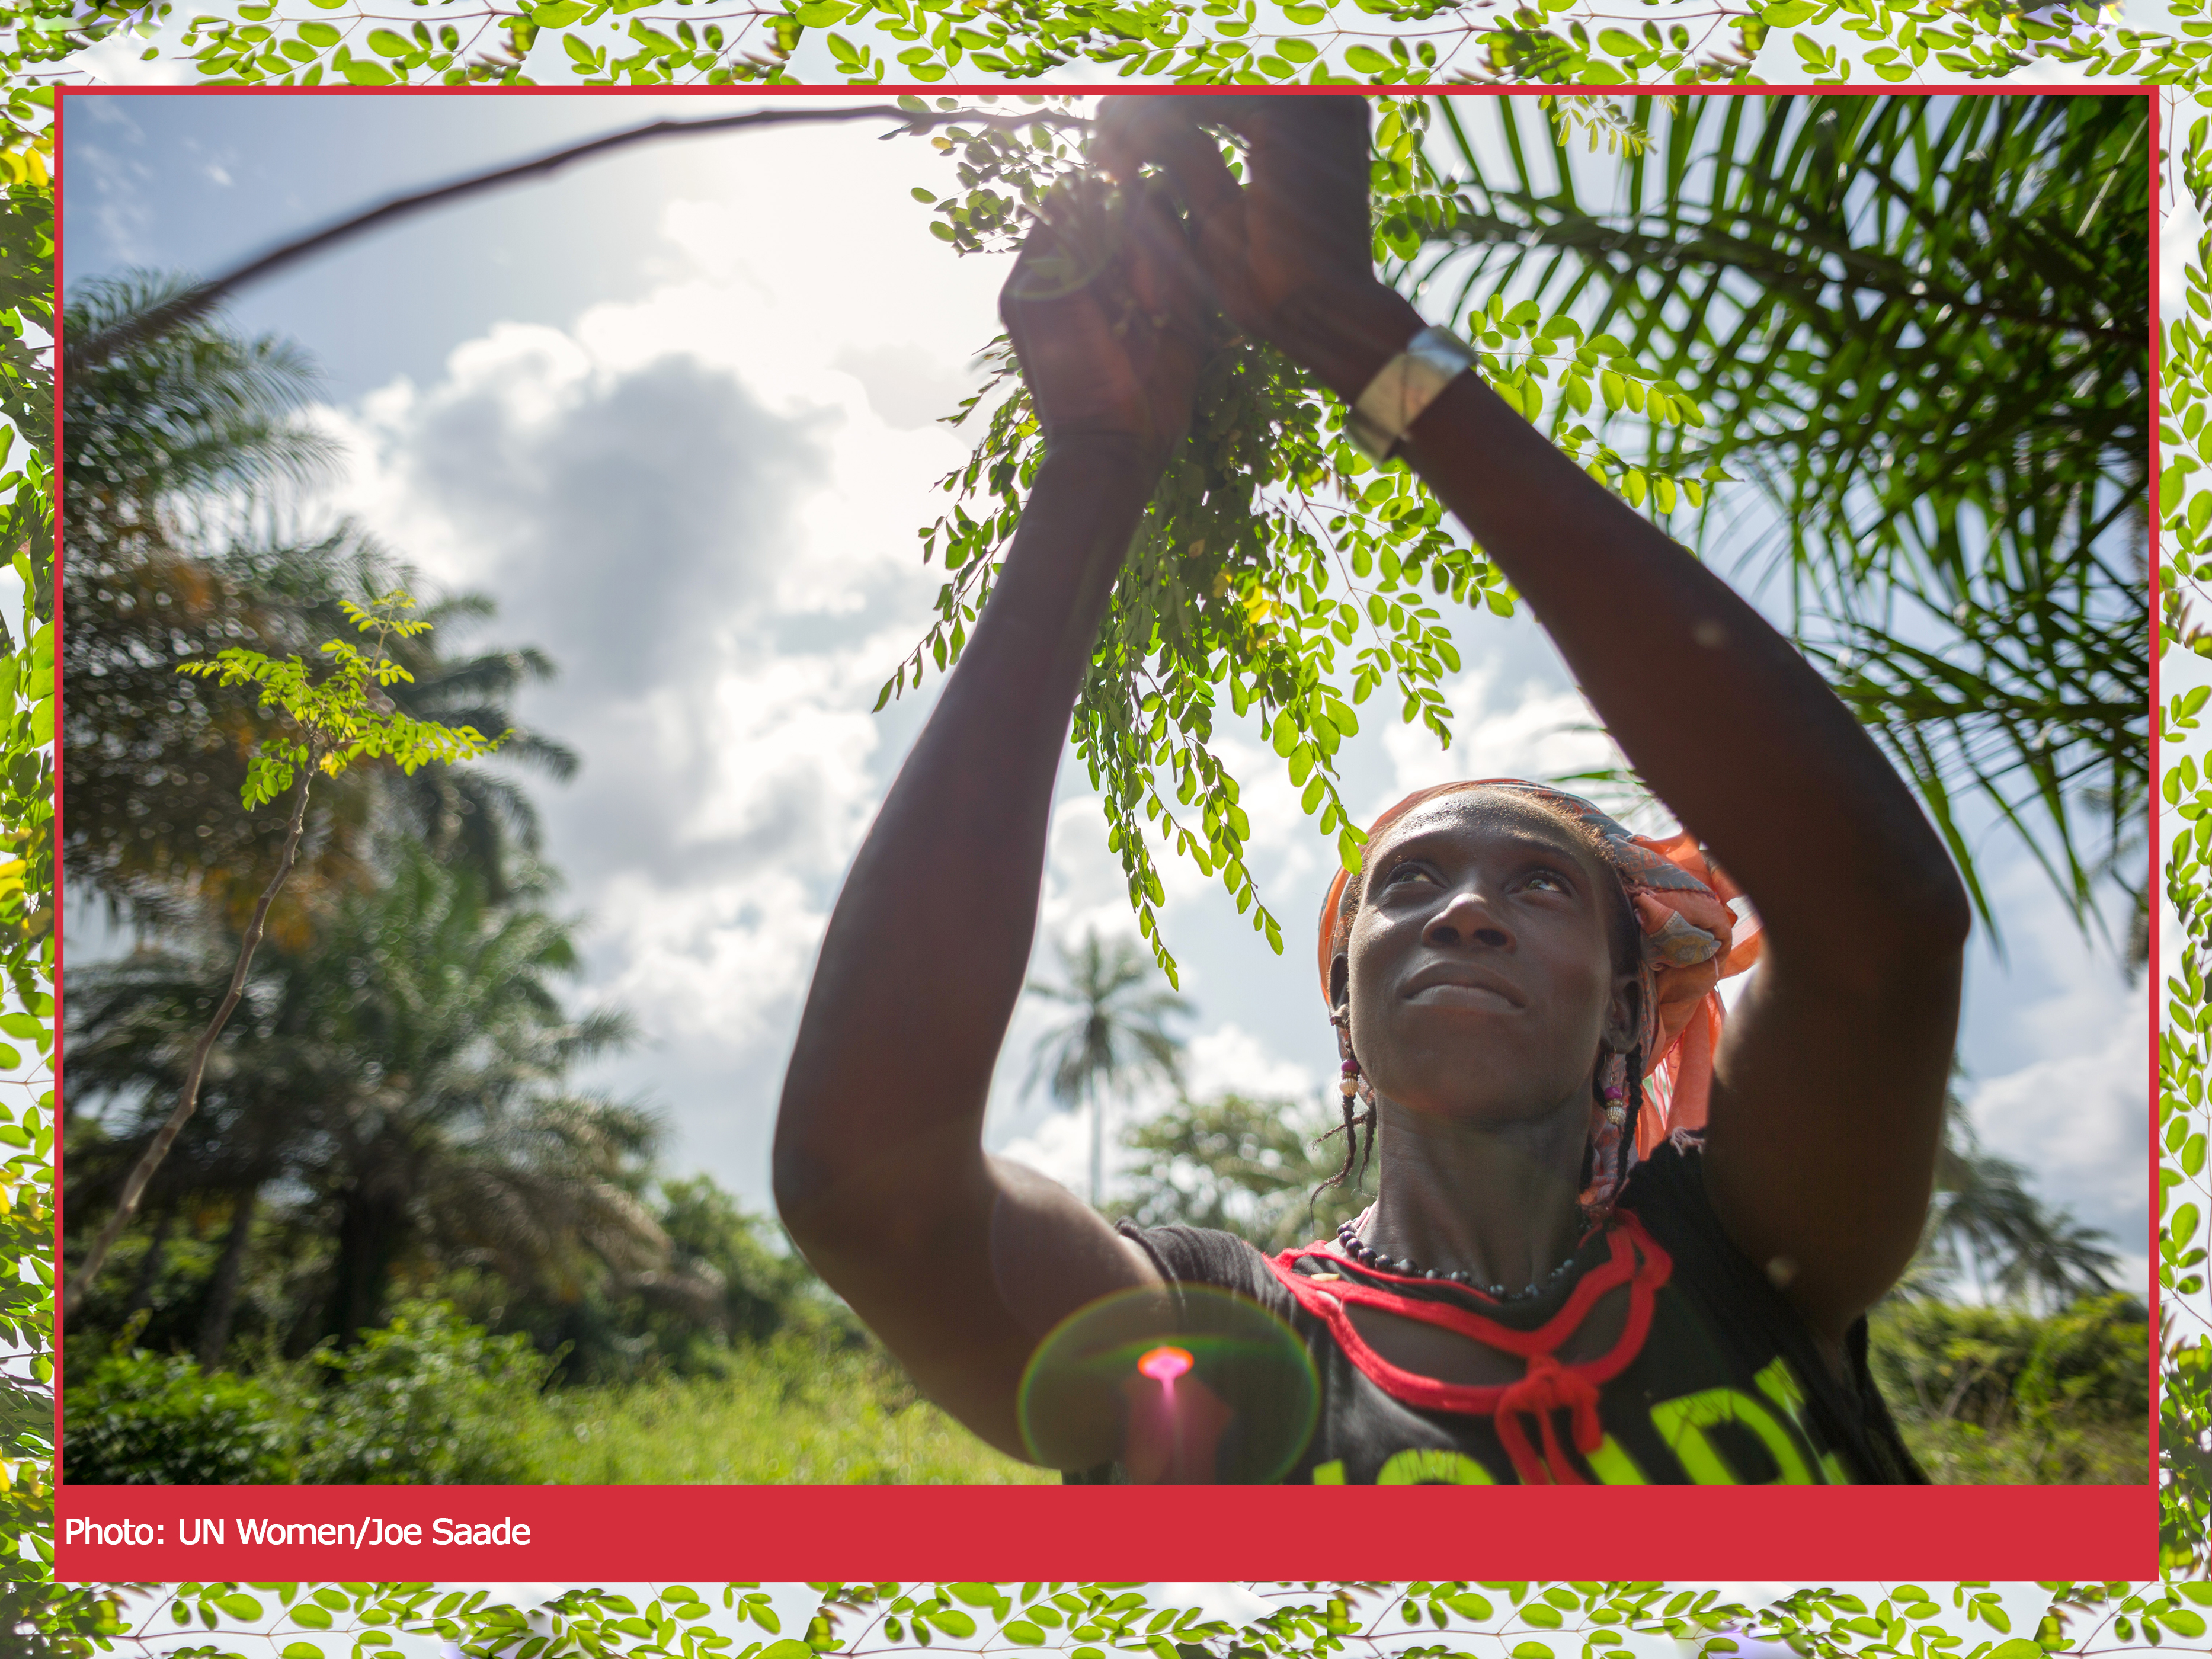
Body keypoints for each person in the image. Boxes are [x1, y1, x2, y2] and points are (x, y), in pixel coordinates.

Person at [774, 95, 1967, 1484]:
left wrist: (1374, 346)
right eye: (1409, 884)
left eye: (1537, 883)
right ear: (1344, 1006)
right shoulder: (1228, 1349)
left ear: (1631, 1004)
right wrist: (1099, 463)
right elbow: (871, 1192)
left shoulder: (1751, 1250)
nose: (1464, 909)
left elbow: (1882, 930)